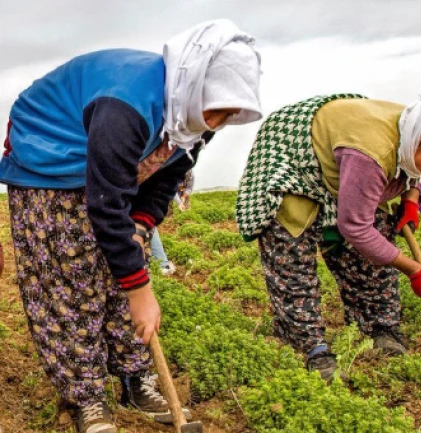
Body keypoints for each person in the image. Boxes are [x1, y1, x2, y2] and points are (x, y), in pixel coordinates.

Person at [0, 19, 262, 433]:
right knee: (70, 282)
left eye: (228, 114)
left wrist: (140, 228)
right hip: (49, 155)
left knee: (124, 262)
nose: (215, 121)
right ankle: (86, 396)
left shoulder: (193, 118)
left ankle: (135, 378)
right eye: (216, 108)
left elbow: (165, 177)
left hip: (107, 168)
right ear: (194, 83)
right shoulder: (128, 104)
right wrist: (140, 290)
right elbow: (105, 208)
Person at [236, 94, 421, 381]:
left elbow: (414, 173)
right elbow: (356, 228)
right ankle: (311, 346)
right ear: (420, 136)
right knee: (292, 254)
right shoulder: (371, 152)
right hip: (293, 162)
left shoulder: (415, 131)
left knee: (373, 251)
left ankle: (379, 327)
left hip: (344, 162)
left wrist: (411, 201)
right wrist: (415, 271)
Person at [151, 170, 195, 275]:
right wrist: (179, 202)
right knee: (149, 227)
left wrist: (183, 198)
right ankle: (162, 264)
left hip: (181, 192)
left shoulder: (190, 176)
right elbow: (172, 190)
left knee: (149, 227)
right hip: (170, 193)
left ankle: (162, 264)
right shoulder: (171, 174)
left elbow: (189, 188)